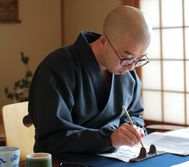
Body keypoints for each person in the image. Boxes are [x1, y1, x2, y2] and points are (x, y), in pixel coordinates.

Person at [28, 5, 151, 156]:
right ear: (103, 41)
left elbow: (135, 116)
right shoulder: (56, 68)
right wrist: (109, 139)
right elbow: (50, 139)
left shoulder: (128, 75)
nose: (132, 67)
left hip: (115, 158)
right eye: (127, 57)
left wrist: (133, 131)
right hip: (66, 162)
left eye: (139, 59)